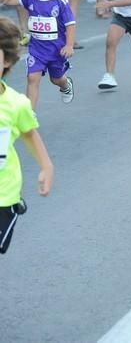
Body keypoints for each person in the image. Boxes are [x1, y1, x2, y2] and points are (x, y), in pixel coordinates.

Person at [0, 17, 55, 255]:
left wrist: (46, 166)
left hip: (3, 196)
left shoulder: (15, 104)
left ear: (8, 60)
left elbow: (29, 133)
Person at [0, 0, 75, 108]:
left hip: (56, 50)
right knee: (32, 79)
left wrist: (69, 45)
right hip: (37, 50)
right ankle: (30, 115)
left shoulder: (61, 2)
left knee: (56, 79)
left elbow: (70, 25)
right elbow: (7, 0)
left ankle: (66, 85)